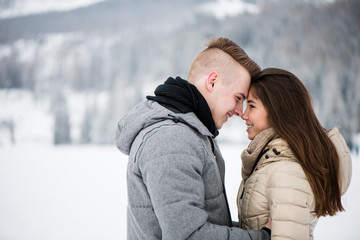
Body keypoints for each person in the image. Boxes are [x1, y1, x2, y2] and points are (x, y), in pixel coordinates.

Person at [115, 37, 271, 239]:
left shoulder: (193, 133)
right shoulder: (171, 139)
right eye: (238, 98)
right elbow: (189, 235)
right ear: (212, 81)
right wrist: (263, 238)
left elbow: (207, 223)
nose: (240, 112)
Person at [237, 68, 352, 239]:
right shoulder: (273, 160)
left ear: (278, 110)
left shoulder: (287, 172)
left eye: (251, 106)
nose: (243, 114)